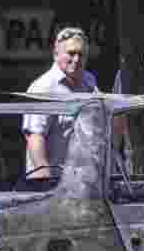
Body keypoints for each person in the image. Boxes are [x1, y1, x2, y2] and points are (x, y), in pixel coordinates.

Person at [22, 27, 98, 186]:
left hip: (83, 185)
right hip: (51, 186)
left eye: (81, 54)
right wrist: (46, 181)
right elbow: (35, 137)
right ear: (56, 53)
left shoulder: (89, 82)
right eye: (71, 53)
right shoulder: (43, 88)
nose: (76, 59)